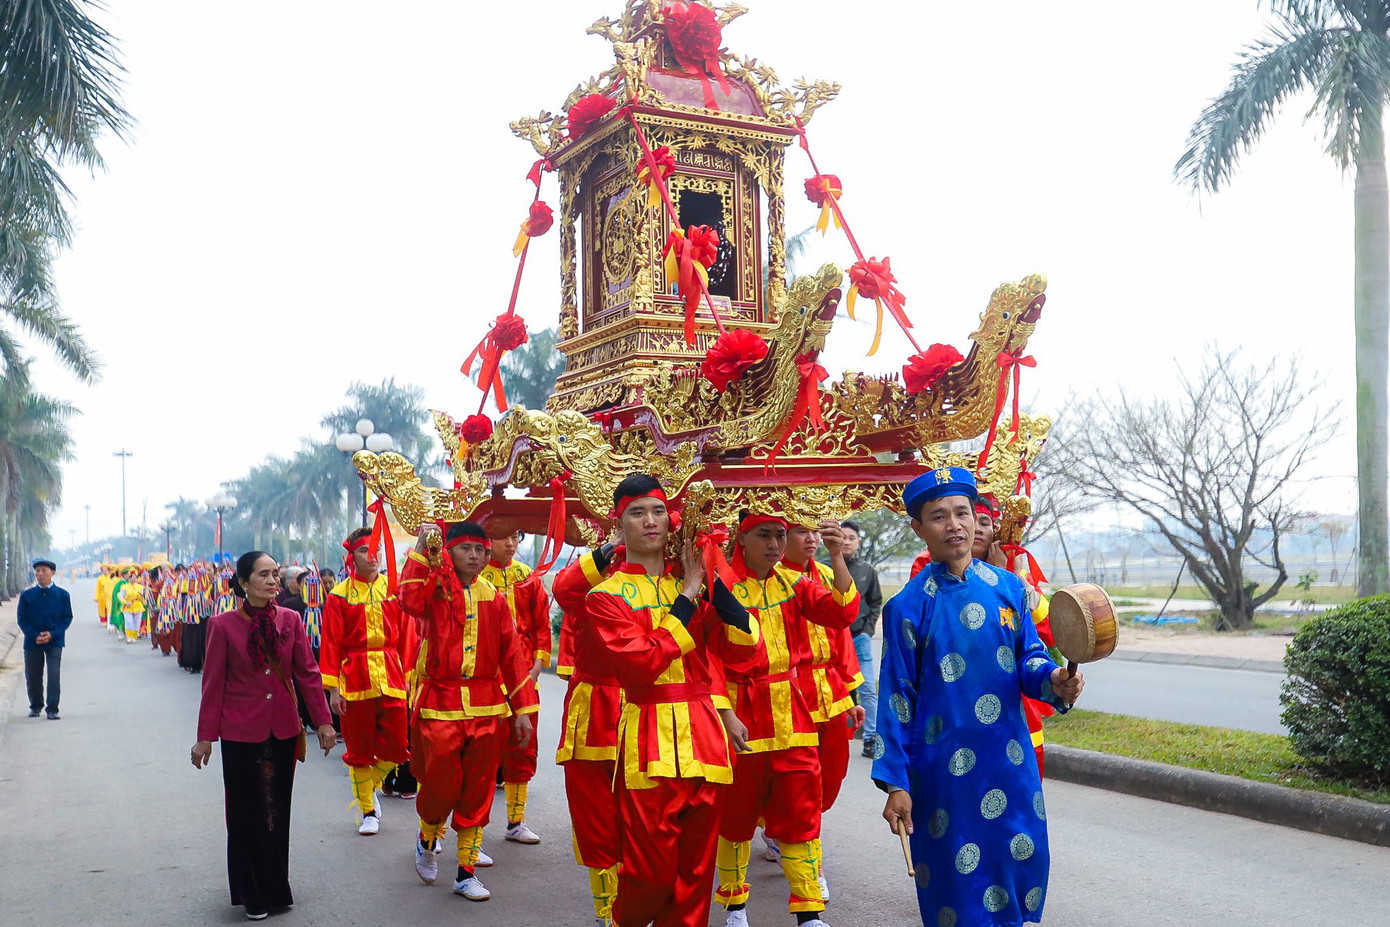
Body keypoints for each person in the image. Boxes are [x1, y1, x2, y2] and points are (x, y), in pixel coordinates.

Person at [873, 468, 1084, 927]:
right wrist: (897, 783)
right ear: (919, 528)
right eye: (938, 516)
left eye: (962, 513)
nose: (954, 525)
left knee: (1017, 863)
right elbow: (896, 698)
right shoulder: (907, 607)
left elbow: (1028, 657)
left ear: (975, 519)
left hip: (1009, 761)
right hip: (943, 774)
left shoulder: (1009, 589)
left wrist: (1053, 680)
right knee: (957, 886)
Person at [585, 474, 754, 927]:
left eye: (658, 510)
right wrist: (685, 598)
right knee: (649, 874)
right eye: (637, 513)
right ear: (618, 524)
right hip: (648, 741)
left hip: (705, 740)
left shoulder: (695, 585)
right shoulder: (604, 596)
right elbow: (640, 664)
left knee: (695, 875)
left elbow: (744, 647)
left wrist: (712, 585)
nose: (650, 521)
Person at [713, 513, 857, 927]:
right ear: (742, 538)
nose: (775, 544)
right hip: (742, 714)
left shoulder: (792, 584)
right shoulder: (719, 587)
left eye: (780, 535)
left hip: (793, 714)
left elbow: (840, 613)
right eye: (765, 535)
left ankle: (809, 911)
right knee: (736, 816)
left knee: (801, 811)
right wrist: (724, 713)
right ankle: (735, 906)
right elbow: (706, 659)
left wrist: (836, 555)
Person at [191, 550, 337, 921]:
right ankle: (251, 893)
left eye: (275, 574)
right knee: (246, 811)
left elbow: (307, 673)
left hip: (283, 729)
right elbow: (213, 684)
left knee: (275, 810)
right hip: (240, 732)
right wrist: (205, 736)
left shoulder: (291, 619)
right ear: (243, 583)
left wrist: (322, 722)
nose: (273, 581)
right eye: (263, 575)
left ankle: (275, 887)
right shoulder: (222, 625)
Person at [398, 521, 538, 902]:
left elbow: (513, 656)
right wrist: (421, 545)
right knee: (441, 787)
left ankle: (465, 871)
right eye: (466, 549)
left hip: (488, 705)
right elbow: (407, 600)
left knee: (478, 793)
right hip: (440, 703)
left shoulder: (494, 596)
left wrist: (522, 709)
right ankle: (427, 839)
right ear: (449, 552)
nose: (475, 556)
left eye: (481, 550)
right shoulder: (434, 591)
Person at [782, 522, 866, 903]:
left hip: (829, 689)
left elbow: (842, 636)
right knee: (801, 785)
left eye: (816, 532)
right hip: (790, 690)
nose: (811, 540)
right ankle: (810, 867)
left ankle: (792, 830)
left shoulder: (830, 575)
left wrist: (852, 694)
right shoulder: (771, 582)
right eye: (802, 532)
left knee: (830, 778)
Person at [552, 535, 626, 926]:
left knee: (648, 821)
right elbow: (564, 587)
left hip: (655, 712)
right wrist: (608, 550)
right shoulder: (595, 583)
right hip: (594, 707)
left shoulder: (676, 583)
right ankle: (607, 912)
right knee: (597, 819)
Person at [320, 527, 414, 836]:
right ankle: (367, 809)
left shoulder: (395, 590)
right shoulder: (339, 596)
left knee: (398, 747)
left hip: (391, 673)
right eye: (364, 551)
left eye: (376, 550)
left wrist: (410, 676)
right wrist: (334, 689)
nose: (371, 556)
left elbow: (408, 637)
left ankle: (368, 786)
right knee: (359, 748)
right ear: (352, 557)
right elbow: (332, 643)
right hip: (354, 676)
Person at [480, 528, 552, 844]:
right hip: (485, 677)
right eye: (503, 537)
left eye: (515, 537)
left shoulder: (528, 577)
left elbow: (541, 626)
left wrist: (537, 666)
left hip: (523, 677)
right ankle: (472, 829)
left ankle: (516, 820)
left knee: (523, 746)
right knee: (482, 751)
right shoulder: (475, 576)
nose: (510, 544)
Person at [840, 520, 883, 758]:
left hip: (860, 638)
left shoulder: (867, 570)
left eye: (851, 538)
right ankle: (839, 735)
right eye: (842, 537)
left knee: (867, 687)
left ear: (858, 542)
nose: (846, 542)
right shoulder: (823, 568)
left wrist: (867, 629)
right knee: (838, 689)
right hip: (835, 639)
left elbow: (875, 602)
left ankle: (870, 738)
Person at [18, 558, 72, 720]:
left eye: (44, 570)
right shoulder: (27, 596)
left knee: (54, 675)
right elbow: (22, 619)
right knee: (33, 675)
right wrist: (34, 635)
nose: (40, 574)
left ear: (52, 573)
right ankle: (35, 705)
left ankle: (53, 708)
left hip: (54, 640)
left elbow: (66, 618)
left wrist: (53, 634)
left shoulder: (62, 595)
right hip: (32, 641)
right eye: (37, 571)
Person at [94, 564, 114, 629]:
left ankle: (109, 620)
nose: (105, 571)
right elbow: (98, 588)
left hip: (109, 596)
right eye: (103, 570)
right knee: (102, 609)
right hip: (102, 596)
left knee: (109, 608)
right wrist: (96, 597)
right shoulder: (100, 579)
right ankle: (103, 620)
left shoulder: (111, 577)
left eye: (106, 570)